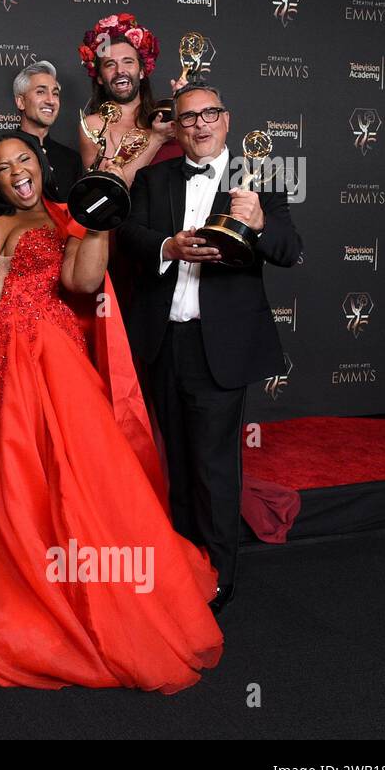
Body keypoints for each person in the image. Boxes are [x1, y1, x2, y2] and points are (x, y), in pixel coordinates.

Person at [0, 131, 223, 692]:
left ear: (40, 164)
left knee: (40, 474)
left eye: (25, 159)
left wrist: (102, 215)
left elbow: (81, 282)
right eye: (4, 166)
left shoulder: (68, 216)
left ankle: (33, 582)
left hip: (38, 358)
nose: (17, 171)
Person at [119, 83, 301, 615]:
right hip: (162, 341)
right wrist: (167, 246)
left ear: (226, 120)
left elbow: (291, 250)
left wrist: (259, 222)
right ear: (176, 128)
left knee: (214, 466)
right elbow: (126, 234)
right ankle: (184, 566)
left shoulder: (260, 178)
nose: (199, 125)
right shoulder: (155, 179)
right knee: (175, 460)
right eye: (188, 118)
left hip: (218, 346)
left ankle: (219, 577)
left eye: (209, 115)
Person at [76, 13, 179, 186]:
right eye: (110, 64)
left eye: (128, 62)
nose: (120, 70)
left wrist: (186, 107)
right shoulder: (94, 126)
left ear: (142, 71)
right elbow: (109, 188)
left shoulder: (164, 116)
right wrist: (156, 140)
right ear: (99, 77)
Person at [13, 61, 81, 203]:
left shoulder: (71, 160)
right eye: (40, 92)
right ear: (21, 102)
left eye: (55, 94)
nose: (51, 101)